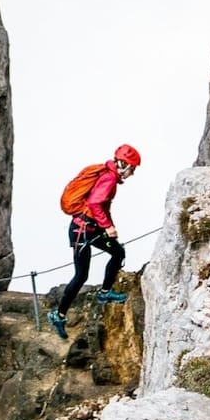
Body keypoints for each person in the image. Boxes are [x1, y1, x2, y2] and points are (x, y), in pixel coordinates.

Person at [49, 144, 141, 339]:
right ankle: (59, 315)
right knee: (82, 275)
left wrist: (109, 226)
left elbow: (101, 207)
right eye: (132, 169)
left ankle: (105, 292)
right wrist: (108, 227)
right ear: (123, 164)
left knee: (117, 252)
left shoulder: (107, 175)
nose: (132, 174)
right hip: (82, 230)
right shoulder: (108, 178)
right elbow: (95, 203)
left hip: (88, 228)